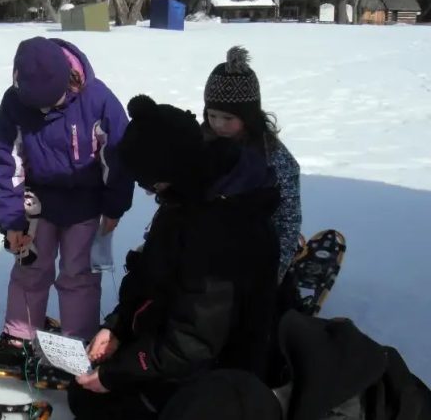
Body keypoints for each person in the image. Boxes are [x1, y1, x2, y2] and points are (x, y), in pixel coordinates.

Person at [67, 95, 281, 419]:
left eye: (150, 184)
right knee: (85, 392)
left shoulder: (222, 228)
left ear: (168, 173)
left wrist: (118, 373)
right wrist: (117, 328)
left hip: (218, 371)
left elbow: (194, 342)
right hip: (172, 343)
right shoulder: (185, 198)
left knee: (97, 401)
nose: (150, 193)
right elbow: (149, 277)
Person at [0, 37, 134, 369]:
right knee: (30, 267)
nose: (43, 112)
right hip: (36, 203)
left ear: (69, 80)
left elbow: (118, 157)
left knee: (78, 272)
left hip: (85, 202)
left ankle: (78, 337)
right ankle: (19, 336)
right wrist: (12, 221)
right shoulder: (14, 103)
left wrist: (114, 207)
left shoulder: (97, 99)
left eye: (51, 103)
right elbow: (6, 162)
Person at [202, 46, 301, 281]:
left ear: (248, 116)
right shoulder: (202, 143)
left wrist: (276, 270)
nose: (218, 124)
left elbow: (288, 218)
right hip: (205, 244)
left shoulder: (272, 157)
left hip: (256, 247)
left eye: (228, 118)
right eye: (212, 115)